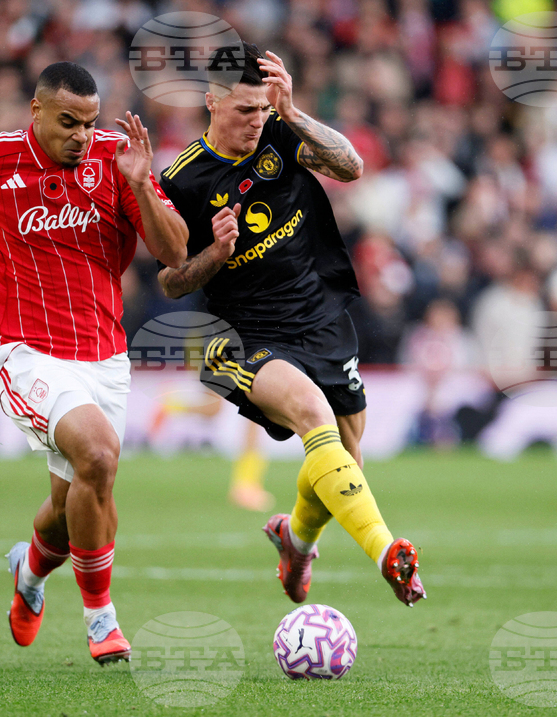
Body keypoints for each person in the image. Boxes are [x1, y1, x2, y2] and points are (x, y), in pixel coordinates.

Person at [0, 62, 187, 662]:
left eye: (89, 122)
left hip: (105, 359)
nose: (81, 135)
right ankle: (101, 619)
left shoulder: (116, 157)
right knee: (99, 456)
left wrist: (138, 183)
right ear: (35, 112)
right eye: (68, 122)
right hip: (24, 353)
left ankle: (29, 573)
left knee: (68, 504)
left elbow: (174, 252)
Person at [157, 44, 426, 607]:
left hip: (321, 316)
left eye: (262, 109)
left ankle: (296, 540)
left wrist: (293, 111)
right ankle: (386, 553)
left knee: (344, 457)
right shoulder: (182, 180)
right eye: (244, 111)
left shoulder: (281, 131)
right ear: (211, 101)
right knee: (313, 416)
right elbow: (170, 280)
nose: (256, 121)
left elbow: (351, 168)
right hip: (245, 333)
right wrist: (217, 253)